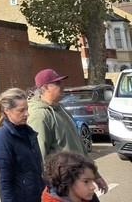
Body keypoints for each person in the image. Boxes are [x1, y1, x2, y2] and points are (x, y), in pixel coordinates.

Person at [28, 68, 108, 198]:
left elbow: (79, 147)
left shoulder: (60, 109)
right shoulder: (40, 116)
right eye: (57, 83)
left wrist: (95, 175)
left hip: (80, 179)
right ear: (45, 87)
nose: (62, 86)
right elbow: (40, 156)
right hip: (64, 184)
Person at [0, 87, 44, 202]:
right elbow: (4, 180)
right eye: (21, 110)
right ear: (7, 111)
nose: (27, 114)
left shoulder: (29, 133)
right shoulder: (3, 137)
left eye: (27, 109)